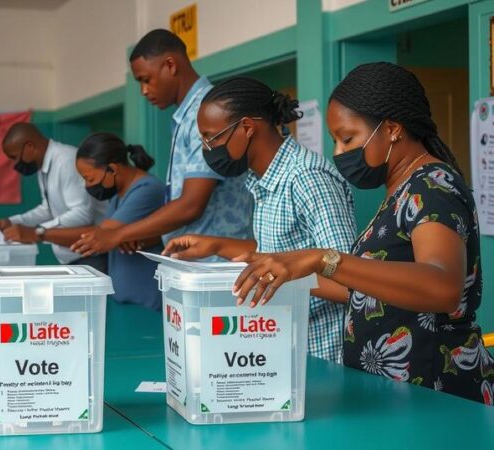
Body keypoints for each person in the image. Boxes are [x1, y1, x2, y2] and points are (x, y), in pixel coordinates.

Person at [232, 62, 493, 404]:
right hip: (395, 394)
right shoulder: (400, 189)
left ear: (392, 129)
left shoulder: (431, 187)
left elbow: (442, 286)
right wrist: (285, 271)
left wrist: (321, 258)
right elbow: (366, 287)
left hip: (435, 393)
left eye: (347, 138)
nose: (339, 152)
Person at [161, 77, 357, 363]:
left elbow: (350, 284)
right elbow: (279, 248)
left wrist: (281, 273)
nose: (207, 149)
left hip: (319, 354)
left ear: (247, 127)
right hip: (279, 345)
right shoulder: (262, 178)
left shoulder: (306, 178)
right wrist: (216, 245)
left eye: (212, 138)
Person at [71, 29, 253, 259]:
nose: (144, 91)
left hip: (216, 266)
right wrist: (146, 234)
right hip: (193, 263)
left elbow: (191, 205)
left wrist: (118, 234)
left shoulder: (207, 111)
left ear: (170, 65)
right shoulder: (183, 117)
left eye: (146, 80)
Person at [30, 132, 165, 310]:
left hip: (147, 300)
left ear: (113, 169)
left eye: (90, 178)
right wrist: (116, 238)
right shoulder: (119, 194)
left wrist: (40, 234)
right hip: (126, 298)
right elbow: (107, 235)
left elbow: (98, 235)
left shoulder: (146, 190)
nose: (87, 186)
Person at [0, 122, 108, 272]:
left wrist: (37, 232)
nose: (14, 164)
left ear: (29, 147)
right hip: (73, 255)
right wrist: (12, 222)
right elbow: (47, 209)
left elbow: (82, 214)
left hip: (93, 254)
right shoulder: (43, 166)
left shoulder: (66, 161)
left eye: (14, 157)